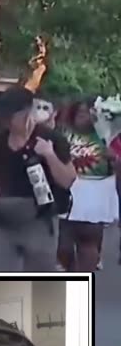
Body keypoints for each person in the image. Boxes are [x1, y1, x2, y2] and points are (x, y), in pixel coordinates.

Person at [0, 88, 76, 272]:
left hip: (39, 218)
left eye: (10, 116)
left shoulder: (51, 139)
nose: (6, 122)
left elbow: (67, 180)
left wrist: (49, 154)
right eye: (3, 117)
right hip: (5, 217)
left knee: (38, 277)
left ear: (27, 112)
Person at [55, 98, 117, 272]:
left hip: (95, 193)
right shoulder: (64, 133)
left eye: (89, 114)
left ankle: (81, 281)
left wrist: (113, 157)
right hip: (69, 192)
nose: (85, 117)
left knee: (89, 242)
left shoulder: (106, 137)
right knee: (64, 247)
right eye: (81, 113)